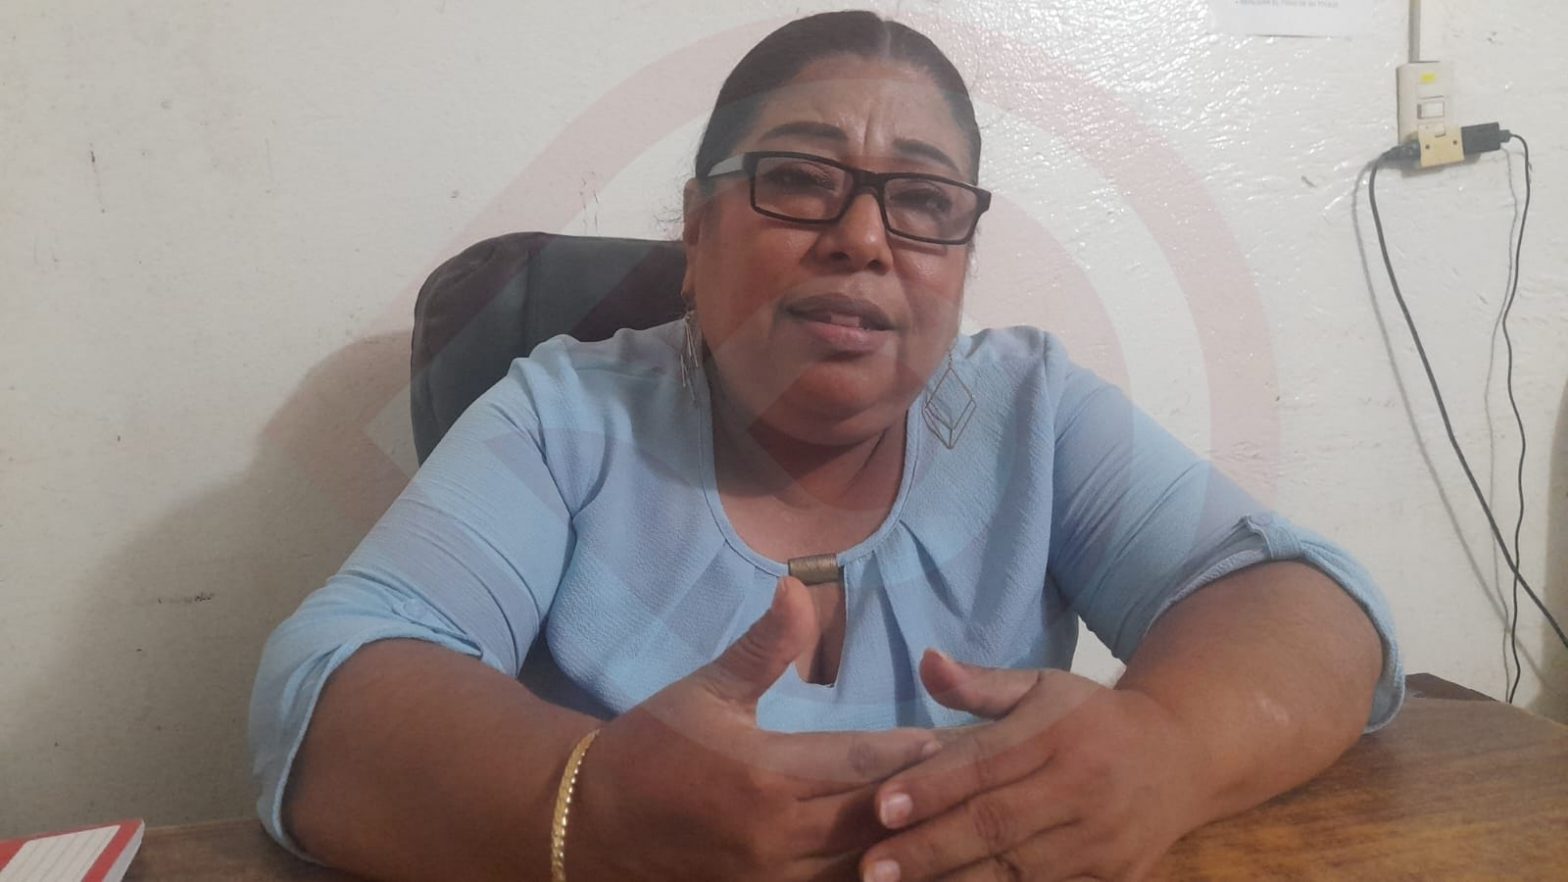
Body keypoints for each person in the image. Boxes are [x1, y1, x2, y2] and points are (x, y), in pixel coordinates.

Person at [249, 10, 1402, 882]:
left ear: (961, 254)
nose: (861, 238)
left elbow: (1305, 604)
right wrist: (590, 806)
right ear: (696, 229)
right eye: (798, 180)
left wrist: (1164, 750)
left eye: (923, 201)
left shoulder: (1032, 410)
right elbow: (326, 687)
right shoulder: (564, 419)